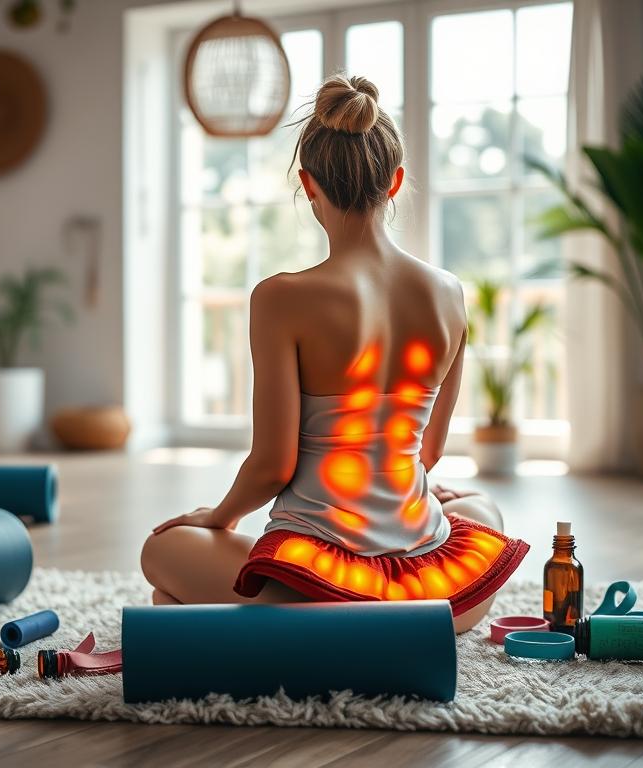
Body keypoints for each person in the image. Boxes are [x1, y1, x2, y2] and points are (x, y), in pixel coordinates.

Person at [140, 74, 529, 633]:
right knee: (479, 510)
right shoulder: (449, 293)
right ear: (395, 182)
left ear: (308, 183)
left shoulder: (281, 299)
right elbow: (430, 449)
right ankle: (394, 628)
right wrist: (408, 492)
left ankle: (260, 629)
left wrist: (217, 518)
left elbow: (273, 466)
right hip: (439, 598)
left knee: (164, 553)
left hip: (316, 588)